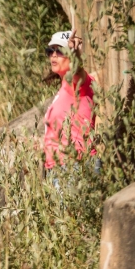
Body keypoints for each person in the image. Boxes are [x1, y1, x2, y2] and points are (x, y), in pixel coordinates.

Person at [43, 29, 97, 189]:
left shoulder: (78, 84)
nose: (53, 55)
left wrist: (75, 56)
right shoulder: (63, 90)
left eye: (60, 51)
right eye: (50, 51)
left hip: (74, 167)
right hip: (63, 168)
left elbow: (77, 72)